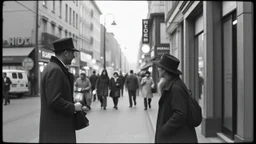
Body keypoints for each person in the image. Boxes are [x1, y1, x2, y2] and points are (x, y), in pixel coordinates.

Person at [39, 38, 83, 143]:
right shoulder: (55, 70)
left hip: (56, 128)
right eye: (73, 53)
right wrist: (74, 107)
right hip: (58, 129)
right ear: (66, 53)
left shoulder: (53, 67)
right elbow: (54, 100)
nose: (74, 56)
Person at [153, 53, 198, 143]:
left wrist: (164, 129)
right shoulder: (172, 85)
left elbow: (181, 113)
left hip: (177, 136)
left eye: (160, 67)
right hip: (176, 135)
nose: (158, 69)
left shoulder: (175, 88)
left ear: (164, 70)